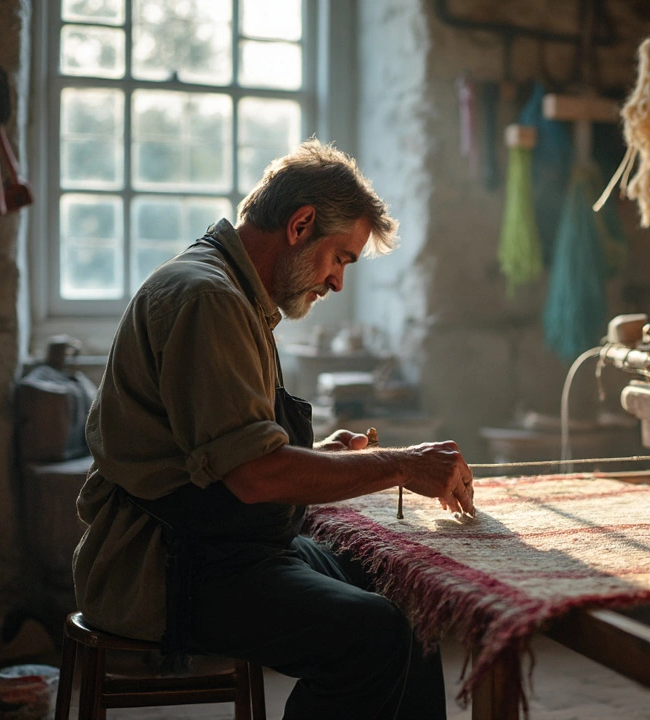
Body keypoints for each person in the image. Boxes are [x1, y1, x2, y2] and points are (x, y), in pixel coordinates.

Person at [73, 140, 474, 720]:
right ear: (301, 224)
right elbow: (256, 476)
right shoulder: (208, 298)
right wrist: (404, 465)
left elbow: (235, 450)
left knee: (409, 598)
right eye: (340, 258)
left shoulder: (232, 291)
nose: (337, 282)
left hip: (220, 548)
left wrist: (324, 455)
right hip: (167, 570)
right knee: (373, 637)